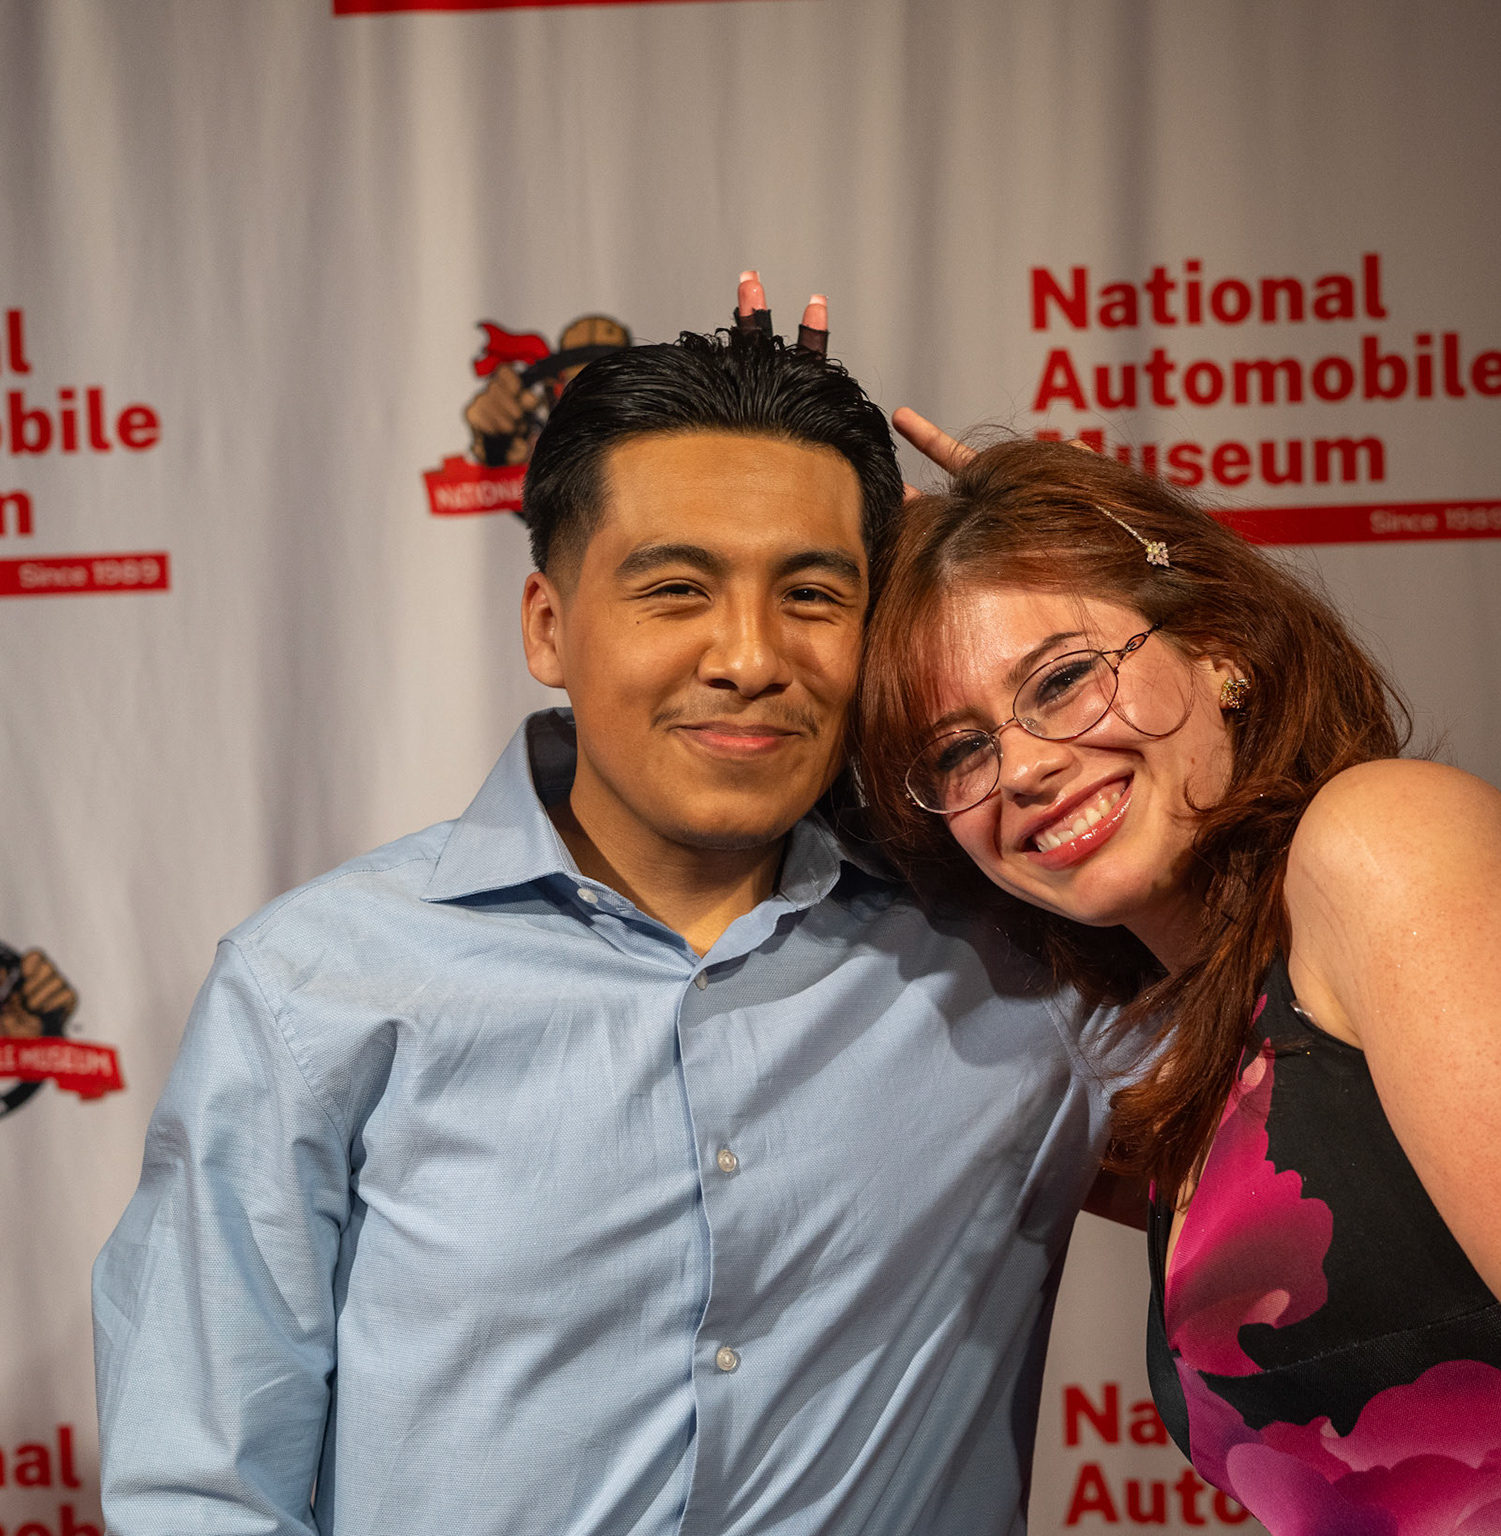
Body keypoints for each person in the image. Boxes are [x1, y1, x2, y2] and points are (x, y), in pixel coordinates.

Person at [91, 303, 1114, 1536]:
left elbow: (1270, 925)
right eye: (676, 589)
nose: (749, 657)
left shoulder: (1023, 957)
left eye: (812, 594)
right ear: (547, 626)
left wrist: (1061, 538)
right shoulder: (315, 987)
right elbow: (200, 1488)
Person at [853, 430, 1501, 1535]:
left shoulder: (1382, 844)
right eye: (958, 751)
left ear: (1218, 646)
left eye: (1064, 680)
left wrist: (1036, 527)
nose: (1021, 768)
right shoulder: (1215, 1074)